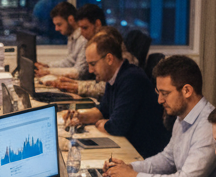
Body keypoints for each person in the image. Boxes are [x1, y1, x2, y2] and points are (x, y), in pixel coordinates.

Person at [103, 55, 216, 177]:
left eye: (165, 94)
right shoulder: (182, 116)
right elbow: (167, 159)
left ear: (187, 90)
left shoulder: (208, 125)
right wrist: (128, 168)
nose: (160, 100)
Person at [62, 29, 170, 157]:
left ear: (109, 59)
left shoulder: (132, 78)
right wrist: (80, 117)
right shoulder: (113, 77)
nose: (90, 70)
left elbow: (117, 127)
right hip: (130, 147)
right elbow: (102, 111)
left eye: (93, 64)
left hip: (145, 154)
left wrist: (104, 124)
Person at [34, 2, 88, 80]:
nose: (56, 29)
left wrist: (49, 71)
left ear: (71, 19)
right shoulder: (72, 35)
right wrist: (48, 66)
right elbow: (70, 61)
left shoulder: (84, 38)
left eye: (59, 24)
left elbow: (79, 72)